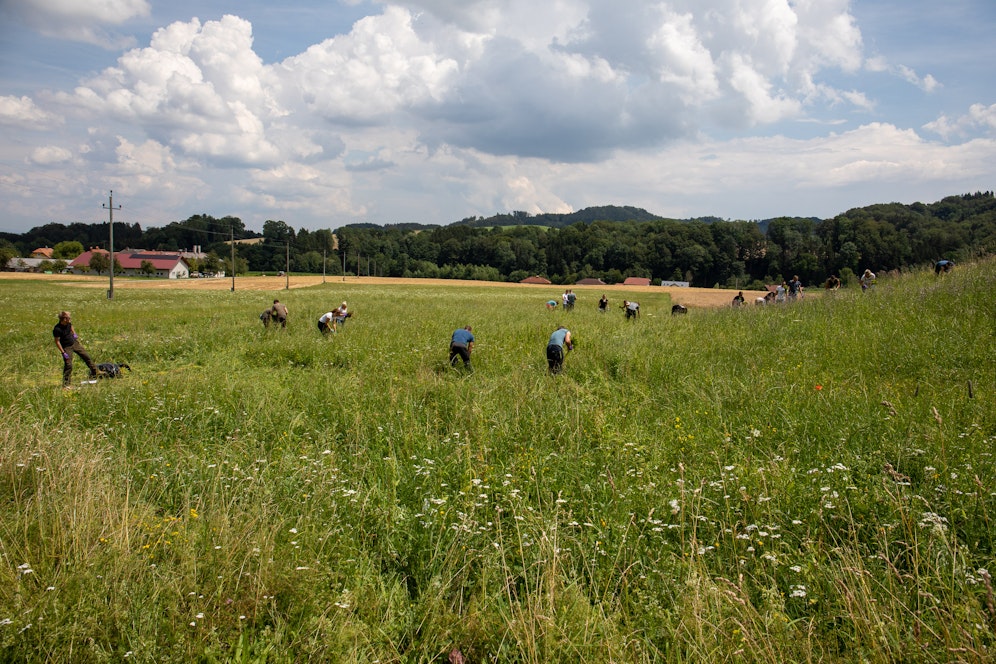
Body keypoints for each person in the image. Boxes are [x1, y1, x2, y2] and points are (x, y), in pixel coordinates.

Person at [53, 311, 99, 388]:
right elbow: (57, 341)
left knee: (87, 357)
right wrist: (63, 352)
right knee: (68, 365)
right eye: (69, 318)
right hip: (66, 347)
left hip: (75, 343)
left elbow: (71, 326)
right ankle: (66, 385)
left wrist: (74, 333)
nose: (70, 319)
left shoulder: (68, 323)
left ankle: (95, 374)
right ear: (64, 319)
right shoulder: (57, 329)